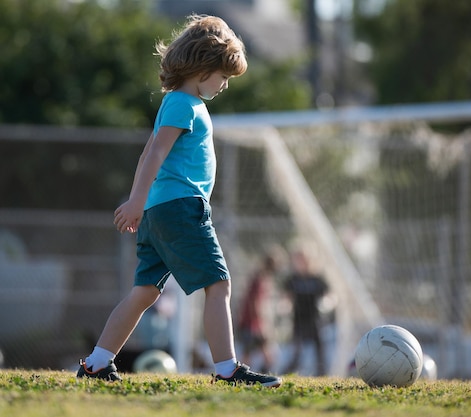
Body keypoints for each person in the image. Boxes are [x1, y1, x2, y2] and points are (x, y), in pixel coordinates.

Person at [76, 14, 281, 388]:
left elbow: (147, 154)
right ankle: (227, 369)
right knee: (218, 285)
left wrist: (143, 203)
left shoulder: (180, 104)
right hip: (181, 209)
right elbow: (154, 154)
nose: (223, 85)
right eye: (222, 76)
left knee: (145, 292)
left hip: (160, 211)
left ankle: (96, 362)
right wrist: (137, 200)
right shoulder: (183, 104)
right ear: (203, 66)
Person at [282, 249, 329, 376]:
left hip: (315, 320)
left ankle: (321, 373)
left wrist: (326, 303)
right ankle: (287, 373)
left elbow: (328, 295)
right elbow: (286, 297)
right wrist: (285, 306)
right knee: (297, 351)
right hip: (298, 320)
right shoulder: (292, 280)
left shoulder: (317, 279)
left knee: (319, 351)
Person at [236, 251, 282, 373]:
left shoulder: (259, 278)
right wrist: (262, 325)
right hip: (253, 324)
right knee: (251, 354)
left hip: (251, 323)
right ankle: (250, 375)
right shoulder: (260, 279)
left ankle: (260, 374)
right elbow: (255, 303)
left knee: (259, 353)